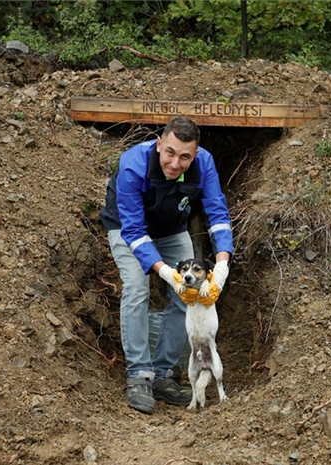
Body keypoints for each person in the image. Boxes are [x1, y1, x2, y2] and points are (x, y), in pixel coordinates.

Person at [100, 116, 233, 414]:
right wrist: (165, 273)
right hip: (127, 227)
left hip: (171, 227)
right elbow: (134, 231)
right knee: (137, 287)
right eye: (170, 153)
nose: (175, 164)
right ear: (159, 144)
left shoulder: (205, 164)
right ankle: (139, 374)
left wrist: (221, 266)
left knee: (185, 295)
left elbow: (218, 213)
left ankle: (162, 374)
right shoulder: (133, 164)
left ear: (195, 155)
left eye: (185, 157)